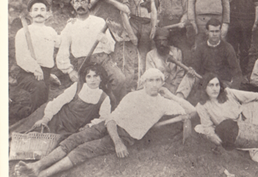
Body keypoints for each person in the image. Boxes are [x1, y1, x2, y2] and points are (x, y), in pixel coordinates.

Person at [15, 68, 196, 177]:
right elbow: (111, 119)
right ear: (144, 82)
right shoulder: (133, 96)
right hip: (111, 127)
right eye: (151, 80)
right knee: (74, 139)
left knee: (82, 150)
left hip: (127, 136)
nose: (155, 84)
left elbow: (192, 111)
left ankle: (43, 174)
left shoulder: (164, 103)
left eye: (158, 80)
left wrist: (171, 95)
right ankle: (36, 166)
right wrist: (117, 143)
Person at [56, 0, 127, 104]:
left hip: (103, 59)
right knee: (83, 93)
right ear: (73, 5)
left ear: (89, 4)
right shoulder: (70, 26)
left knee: (120, 80)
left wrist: (104, 40)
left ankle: (118, 109)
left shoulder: (99, 22)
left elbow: (110, 47)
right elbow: (63, 50)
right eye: (77, 2)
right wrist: (70, 70)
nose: (80, 5)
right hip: (83, 62)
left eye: (83, 1)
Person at [10, 64, 112, 139]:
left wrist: (89, 125)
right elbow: (59, 101)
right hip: (53, 115)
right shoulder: (78, 87)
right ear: (85, 78)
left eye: (96, 76)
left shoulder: (104, 98)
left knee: (38, 141)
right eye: (89, 76)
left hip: (68, 129)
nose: (92, 80)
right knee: (20, 131)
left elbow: (103, 118)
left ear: (101, 78)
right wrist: (46, 118)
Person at [88, 0, 138, 86]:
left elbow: (126, 9)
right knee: (97, 59)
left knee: (114, 62)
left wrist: (110, 0)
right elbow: (86, 6)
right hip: (96, 27)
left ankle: (116, 90)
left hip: (115, 29)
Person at [10, 0, 60, 120]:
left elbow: (59, 43)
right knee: (39, 88)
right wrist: (35, 68)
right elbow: (22, 56)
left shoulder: (51, 31)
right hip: (27, 71)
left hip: (46, 72)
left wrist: (71, 26)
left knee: (43, 101)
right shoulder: (23, 32)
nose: (39, 12)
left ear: (47, 14)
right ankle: (32, 121)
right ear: (31, 13)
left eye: (43, 9)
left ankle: (30, 116)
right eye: (35, 9)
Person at [176, 18, 243, 99]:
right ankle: (179, 99)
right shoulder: (201, 47)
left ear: (220, 31)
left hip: (222, 83)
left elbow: (237, 74)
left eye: (217, 31)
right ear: (207, 32)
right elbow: (195, 67)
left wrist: (233, 90)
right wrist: (192, 70)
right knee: (189, 75)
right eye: (212, 31)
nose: (214, 34)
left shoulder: (227, 48)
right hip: (204, 81)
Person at [124, 0, 157, 82]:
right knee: (131, 56)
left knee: (144, 55)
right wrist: (131, 33)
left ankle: (142, 82)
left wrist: (154, 26)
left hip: (147, 24)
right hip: (134, 23)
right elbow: (124, 11)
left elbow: (153, 9)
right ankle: (130, 83)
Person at [146, 28, 186, 94]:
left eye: (164, 40)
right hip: (158, 88)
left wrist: (174, 87)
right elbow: (151, 76)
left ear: (168, 41)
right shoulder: (150, 55)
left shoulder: (177, 52)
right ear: (155, 42)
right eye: (158, 40)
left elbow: (180, 73)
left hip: (175, 87)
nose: (161, 43)